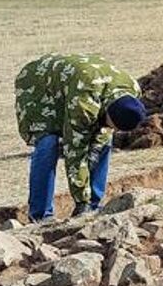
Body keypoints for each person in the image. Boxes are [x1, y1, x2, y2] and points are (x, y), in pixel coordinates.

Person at [15, 53, 148, 221]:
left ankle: (94, 205)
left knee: (104, 138)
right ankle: (40, 214)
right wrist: (81, 200)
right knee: (48, 143)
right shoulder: (85, 102)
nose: (108, 127)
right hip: (39, 85)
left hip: (73, 85)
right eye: (110, 124)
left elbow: (101, 135)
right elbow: (75, 151)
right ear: (107, 112)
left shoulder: (132, 91)